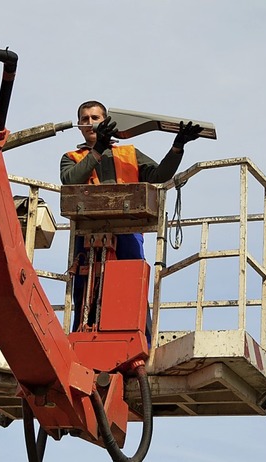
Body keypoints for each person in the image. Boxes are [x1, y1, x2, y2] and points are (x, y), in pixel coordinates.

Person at [61, 100, 202, 331]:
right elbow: (70, 181)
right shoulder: (71, 157)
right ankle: (81, 335)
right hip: (87, 231)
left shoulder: (129, 153)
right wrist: (98, 150)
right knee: (85, 286)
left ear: (106, 121)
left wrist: (177, 147)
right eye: (84, 119)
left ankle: (138, 341)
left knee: (130, 284)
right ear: (79, 125)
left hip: (127, 229)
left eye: (95, 118)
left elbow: (159, 175)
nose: (90, 123)